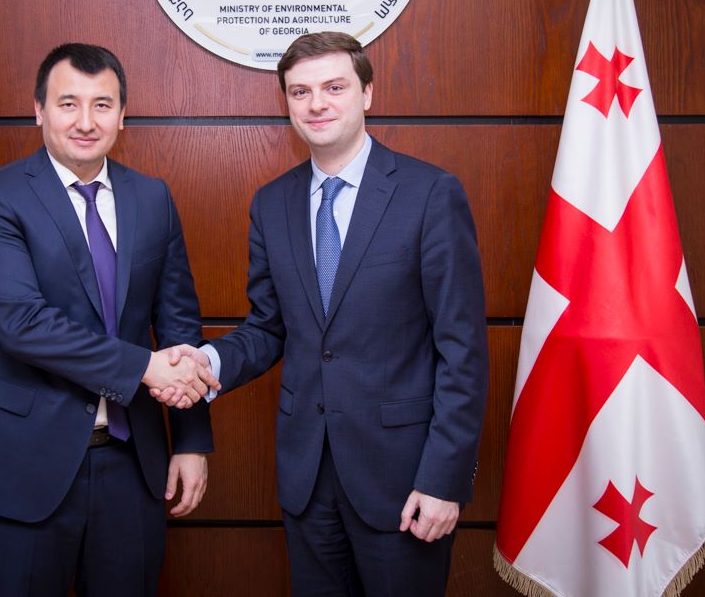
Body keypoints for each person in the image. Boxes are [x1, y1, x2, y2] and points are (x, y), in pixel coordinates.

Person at [163, 32, 489, 596]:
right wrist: (206, 362)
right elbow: (269, 327)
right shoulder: (272, 203)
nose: (316, 104)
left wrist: (445, 479)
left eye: (334, 88)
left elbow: (463, 352)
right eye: (300, 92)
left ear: (367, 93)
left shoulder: (430, 194)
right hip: (307, 478)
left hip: (405, 481)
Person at [0, 43, 219, 597]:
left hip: (133, 463)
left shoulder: (152, 197)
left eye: (102, 105)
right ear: (39, 111)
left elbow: (179, 324)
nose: (85, 121)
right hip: (25, 464)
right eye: (68, 103)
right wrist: (144, 367)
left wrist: (191, 440)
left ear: (122, 115)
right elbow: (23, 324)